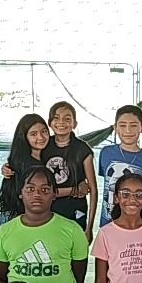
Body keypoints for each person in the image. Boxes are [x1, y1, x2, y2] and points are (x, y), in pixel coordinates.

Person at [97, 104, 142, 227]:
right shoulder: (106, 153)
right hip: (108, 223)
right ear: (115, 127)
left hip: (136, 225)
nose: (128, 130)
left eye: (133, 125)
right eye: (122, 125)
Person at [43, 101, 97, 236]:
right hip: (47, 211)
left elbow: (93, 189)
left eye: (67, 118)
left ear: (74, 124)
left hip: (75, 212)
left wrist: (89, 228)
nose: (61, 122)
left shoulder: (82, 149)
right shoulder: (43, 146)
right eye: (56, 118)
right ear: (50, 122)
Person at [0, 113, 50, 224]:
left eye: (44, 131)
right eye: (33, 134)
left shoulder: (46, 157)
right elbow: (45, 191)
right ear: (24, 137)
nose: (41, 137)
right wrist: (75, 190)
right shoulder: (25, 163)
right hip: (18, 216)